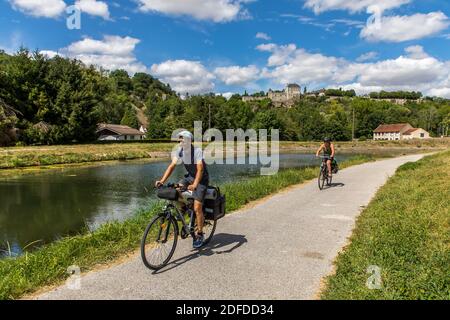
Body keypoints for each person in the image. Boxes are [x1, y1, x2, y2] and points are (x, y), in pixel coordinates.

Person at [155, 130, 209, 249]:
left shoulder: (197, 151)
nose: (180, 141)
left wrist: (195, 184)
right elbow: (172, 166)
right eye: (179, 139)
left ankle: (200, 234)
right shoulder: (180, 151)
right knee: (177, 188)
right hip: (190, 177)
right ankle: (184, 208)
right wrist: (162, 181)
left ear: (189, 141)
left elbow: (200, 169)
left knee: (197, 207)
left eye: (182, 139)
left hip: (201, 180)